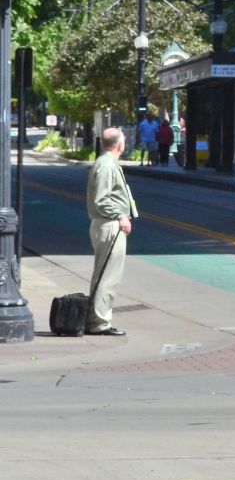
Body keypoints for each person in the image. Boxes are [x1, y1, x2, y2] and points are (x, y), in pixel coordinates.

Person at [84, 126, 138, 336]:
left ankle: (96, 318)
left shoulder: (106, 163)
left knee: (103, 273)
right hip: (109, 225)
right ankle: (99, 322)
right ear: (120, 144)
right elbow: (102, 199)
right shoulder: (107, 166)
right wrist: (120, 216)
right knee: (108, 276)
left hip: (106, 224)